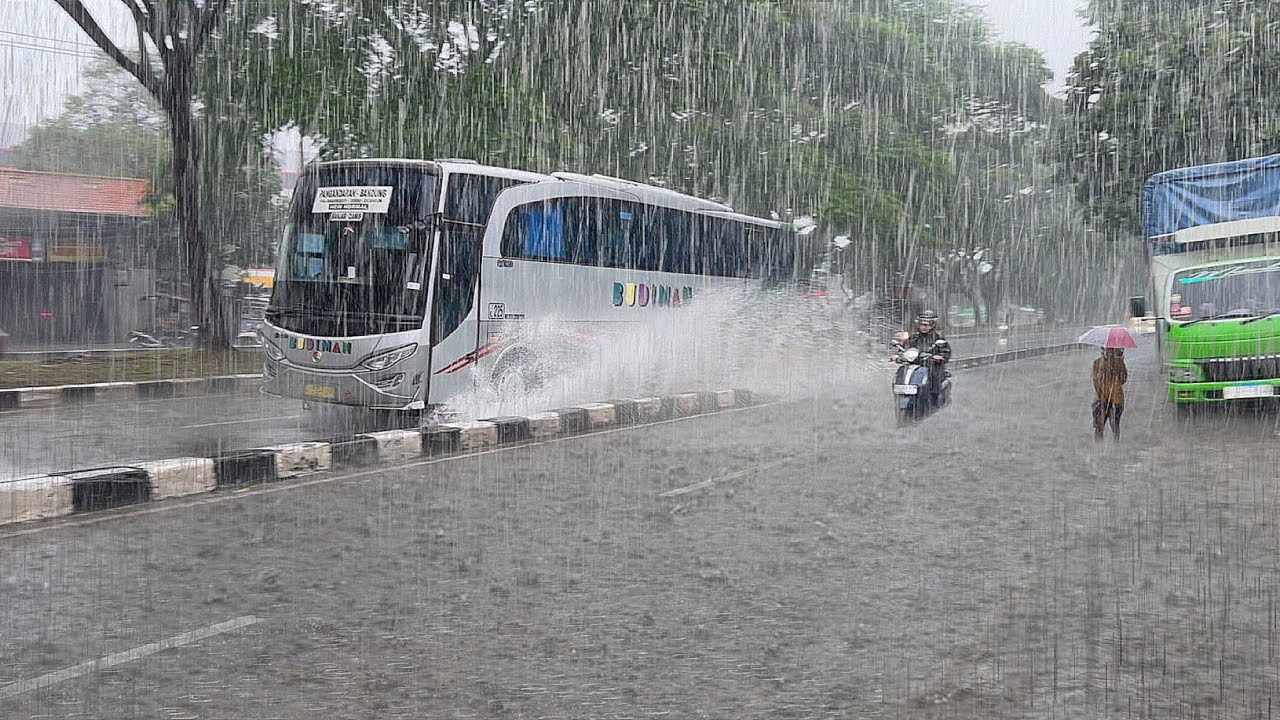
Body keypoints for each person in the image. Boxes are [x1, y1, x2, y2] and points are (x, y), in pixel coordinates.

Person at [905, 310, 951, 405]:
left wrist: (940, 357)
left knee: (933, 374)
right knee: (902, 371)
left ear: (933, 325)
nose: (924, 327)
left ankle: (935, 398)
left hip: (931, 365)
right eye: (922, 324)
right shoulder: (913, 338)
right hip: (915, 366)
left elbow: (946, 352)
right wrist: (898, 355)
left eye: (927, 325)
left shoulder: (938, 339)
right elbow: (904, 348)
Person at [1092, 347, 1128, 441]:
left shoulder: (1119, 363)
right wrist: (1102, 396)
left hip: (1116, 398)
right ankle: (1098, 448)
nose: (1107, 354)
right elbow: (1095, 382)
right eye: (1105, 351)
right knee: (1099, 425)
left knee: (1115, 424)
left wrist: (1117, 371)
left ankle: (1116, 446)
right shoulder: (1097, 363)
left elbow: (1123, 380)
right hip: (1101, 399)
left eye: (1110, 351)